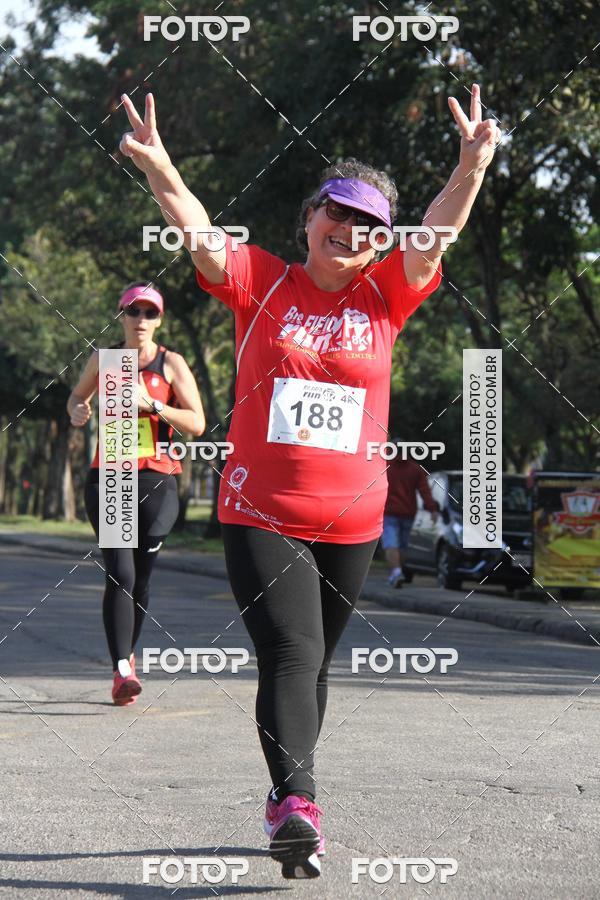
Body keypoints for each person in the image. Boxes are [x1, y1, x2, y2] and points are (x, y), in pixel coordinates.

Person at [118, 84, 498, 878]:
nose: (351, 231)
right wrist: (159, 166)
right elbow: (194, 226)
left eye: (369, 226)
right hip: (261, 509)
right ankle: (298, 805)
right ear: (311, 218)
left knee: (317, 662)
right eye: (340, 213)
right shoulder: (260, 282)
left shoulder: (387, 295)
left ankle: (286, 799)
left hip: (353, 520)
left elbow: (436, 235)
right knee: (290, 652)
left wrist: (468, 167)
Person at [67, 283, 205, 705]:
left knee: (140, 580)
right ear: (121, 316)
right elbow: (76, 398)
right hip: (112, 476)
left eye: (149, 313)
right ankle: (122, 669)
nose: (140, 320)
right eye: (133, 311)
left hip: (158, 480)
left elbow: (197, 423)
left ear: (158, 320)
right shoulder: (105, 360)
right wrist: (78, 410)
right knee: (120, 574)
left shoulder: (171, 363)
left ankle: (127, 656)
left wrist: (155, 406)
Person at [382, 452, 439, 588]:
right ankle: (397, 573)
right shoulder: (415, 469)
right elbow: (424, 491)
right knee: (402, 546)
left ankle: (396, 573)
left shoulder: (384, 466)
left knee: (391, 544)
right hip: (408, 513)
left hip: (389, 512)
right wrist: (432, 509)